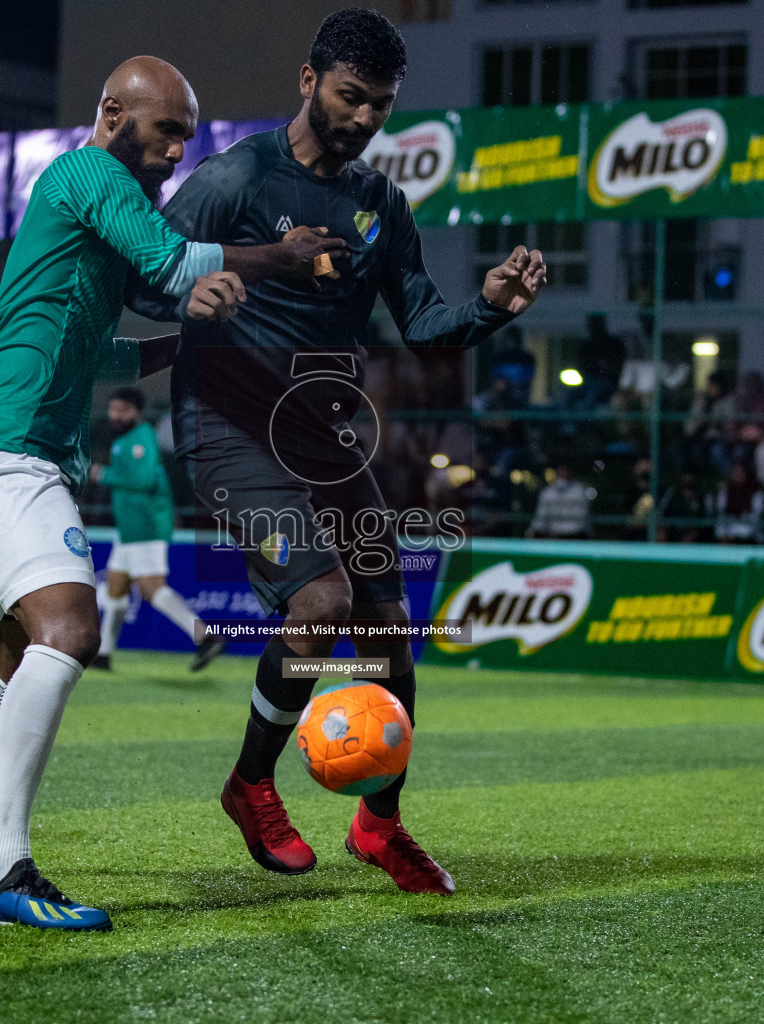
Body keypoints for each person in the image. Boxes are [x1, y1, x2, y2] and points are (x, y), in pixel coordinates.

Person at [0, 56, 345, 932]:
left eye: (186, 137)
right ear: (113, 112)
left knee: (16, 657)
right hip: (9, 455)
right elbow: (168, 260)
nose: (175, 150)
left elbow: (110, 355)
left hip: (9, 453)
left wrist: (188, 340)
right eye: (167, 130)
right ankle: (4, 874)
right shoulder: (88, 171)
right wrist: (279, 256)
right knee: (71, 632)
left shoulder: (91, 217)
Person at [129, 10, 546, 894]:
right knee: (319, 598)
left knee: (390, 632)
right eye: (352, 96)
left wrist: (493, 305)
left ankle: (379, 825)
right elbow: (147, 276)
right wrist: (230, 277)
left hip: (327, 439)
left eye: (381, 106)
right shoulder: (234, 178)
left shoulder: (379, 204)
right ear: (310, 79)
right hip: (230, 428)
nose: (363, 118)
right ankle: (250, 785)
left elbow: (426, 321)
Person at [92, 387, 225, 671]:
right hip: (130, 531)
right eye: (113, 408)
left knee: (153, 591)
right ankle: (103, 654)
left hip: (145, 527)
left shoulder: (140, 437)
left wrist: (102, 473)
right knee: (115, 588)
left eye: (122, 409)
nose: (115, 414)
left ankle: (205, 635)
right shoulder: (126, 439)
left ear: (136, 412)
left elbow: (142, 480)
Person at [525, 463, 591, 539]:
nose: (563, 476)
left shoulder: (580, 492)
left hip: (576, 536)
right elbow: (540, 517)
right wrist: (533, 531)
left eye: (565, 473)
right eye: (560, 473)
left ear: (570, 475)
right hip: (552, 537)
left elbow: (582, 520)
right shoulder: (547, 493)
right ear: (556, 474)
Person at [713, 460, 764, 543]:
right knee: (720, 529)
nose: (737, 475)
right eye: (735, 473)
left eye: (740, 472)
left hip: (748, 523)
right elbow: (721, 509)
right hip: (729, 522)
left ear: (746, 474)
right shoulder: (726, 489)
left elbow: (758, 512)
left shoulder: (755, 490)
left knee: (746, 530)